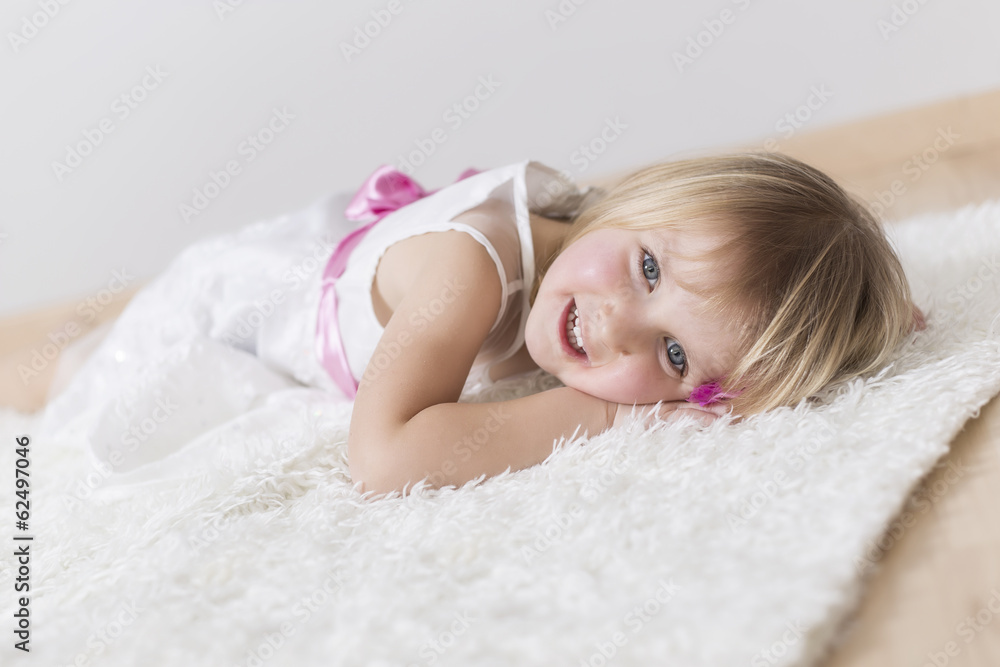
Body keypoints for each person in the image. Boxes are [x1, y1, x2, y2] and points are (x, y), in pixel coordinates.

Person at [41, 153, 924, 496]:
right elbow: (383, 460)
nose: (617, 327)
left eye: (673, 352)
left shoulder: (588, 271)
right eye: (649, 269)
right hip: (236, 310)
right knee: (75, 416)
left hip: (322, 268)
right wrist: (607, 409)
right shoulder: (471, 269)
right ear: (638, 200)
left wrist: (869, 324)